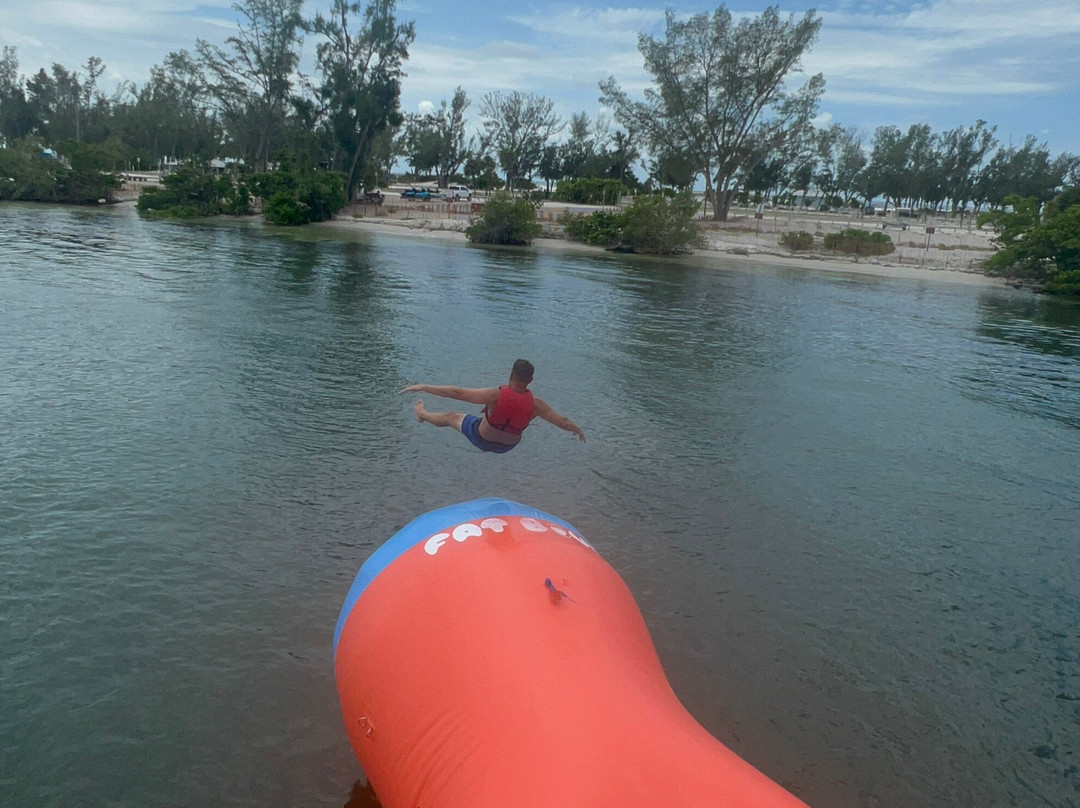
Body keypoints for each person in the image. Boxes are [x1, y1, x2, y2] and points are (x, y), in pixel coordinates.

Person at [400, 359, 585, 453]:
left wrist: (423, 387)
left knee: (451, 417)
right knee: (488, 416)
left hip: (481, 438)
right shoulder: (537, 405)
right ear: (531, 380)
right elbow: (562, 421)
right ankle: (423, 414)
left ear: (511, 374)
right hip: (507, 447)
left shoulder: (494, 395)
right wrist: (577, 429)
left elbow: (456, 393)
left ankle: (422, 414)